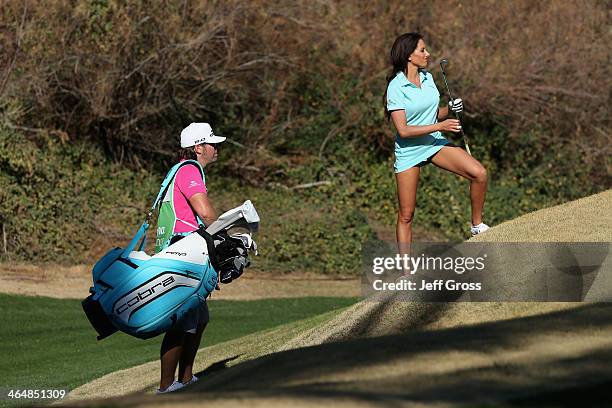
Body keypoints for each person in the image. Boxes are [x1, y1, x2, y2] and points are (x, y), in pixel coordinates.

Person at [384, 32, 489, 248]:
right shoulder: (395, 87)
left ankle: (477, 226)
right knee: (406, 214)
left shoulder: (428, 78)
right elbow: (403, 130)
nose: (427, 54)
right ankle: (407, 274)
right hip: (409, 152)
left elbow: (432, 114)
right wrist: (441, 126)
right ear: (408, 56)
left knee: (479, 174)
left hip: (433, 143)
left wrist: (449, 109)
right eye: (422, 50)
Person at [155, 122, 225, 394]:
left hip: (181, 250)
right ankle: (165, 388)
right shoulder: (189, 170)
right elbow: (206, 214)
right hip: (183, 252)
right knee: (182, 320)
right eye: (211, 143)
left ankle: (185, 380)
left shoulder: (179, 170)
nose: (215, 148)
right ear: (198, 148)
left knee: (199, 317)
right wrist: (224, 237)